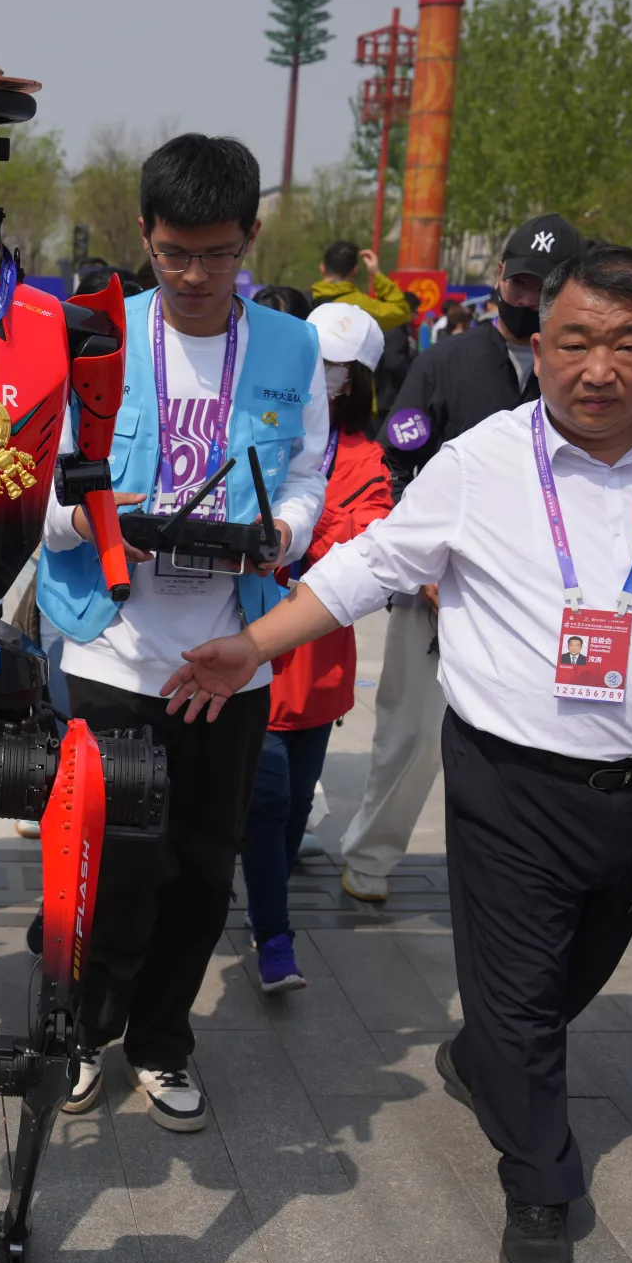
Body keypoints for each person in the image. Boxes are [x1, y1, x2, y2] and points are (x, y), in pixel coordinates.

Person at [166, 246, 632, 1263]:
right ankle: (538, 1178)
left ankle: (481, 1055)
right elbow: (372, 564)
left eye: (627, 344)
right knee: (521, 994)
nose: (598, 369)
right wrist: (253, 646)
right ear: (538, 347)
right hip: (508, 776)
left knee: (572, 977)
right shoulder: (481, 458)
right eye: (574, 342)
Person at [32, 133, 330, 1133]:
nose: (195, 275)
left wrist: (282, 531)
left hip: (230, 655)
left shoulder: (291, 347)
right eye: (172, 254)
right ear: (144, 237)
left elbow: (306, 474)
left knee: (203, 867)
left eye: (216, 254)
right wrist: (89, 518)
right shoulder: (93, 336)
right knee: (111, 862)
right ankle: (81, 1025)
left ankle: (161, 1038)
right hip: (111, 645)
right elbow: (34, 481)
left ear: (251, 236)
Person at [333, 211, 585, 904]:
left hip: (545, 595)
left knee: (534, 745)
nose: (529, 298)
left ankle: (519, 873)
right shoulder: (444, 361)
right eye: (521, 283)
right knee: (412, 734)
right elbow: (394, 470)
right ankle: (370, 858)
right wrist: (426, 568)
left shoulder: (582, 374)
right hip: (438, 589)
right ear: (499, 277)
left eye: (546, 287)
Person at [242, 300, 393, 993]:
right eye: (319, 362)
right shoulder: (262, 431)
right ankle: (274, 936)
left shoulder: (366, 459)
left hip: (319, 659)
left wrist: (306, 536)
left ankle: (261, 899)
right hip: (247, 646)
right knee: (268, 801)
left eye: (340, 369)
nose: (327, 377)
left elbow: (370, 547)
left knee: (296, 805)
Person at [310, 237, 411, 331]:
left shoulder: (305, 299)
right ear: (354, 271)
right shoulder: (361, 305)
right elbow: (401, 311)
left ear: (322, 269)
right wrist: (376, 273)